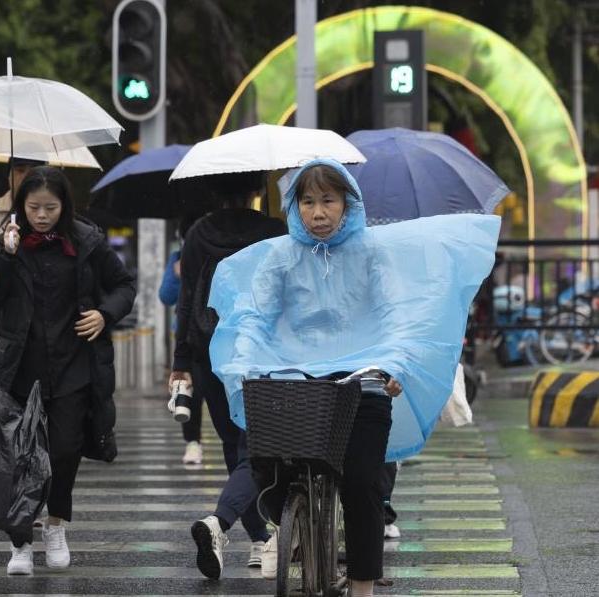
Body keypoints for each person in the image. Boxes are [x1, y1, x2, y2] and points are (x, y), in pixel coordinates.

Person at [208, 159, 498, 596]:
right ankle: (289, 526)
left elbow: (395, 315)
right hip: (297, 381)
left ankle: (363, 587)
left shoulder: (372, 253)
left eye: (328, 201)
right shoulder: (280, 256)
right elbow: (254, 317)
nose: (318, 213)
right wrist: (243, 362)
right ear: (295, 207)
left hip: (363, 380)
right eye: (308, 202)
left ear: (348, 204)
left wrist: (393, 365)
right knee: (268, 464)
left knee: (363, 485)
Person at [0, 166, 136, 575]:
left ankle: (55, 525)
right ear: (22, 205)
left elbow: (124, 285)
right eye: (34, 207)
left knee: (65, 450)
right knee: (19, 456)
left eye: (50, 208)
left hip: (73, 364)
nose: (41, 216)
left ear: (64, 206)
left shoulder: (88, 240)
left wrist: (104, 314)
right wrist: (4, 255)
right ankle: (20, 540)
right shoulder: (8, 240)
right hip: (20, 367)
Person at [171, 173, 286, 579]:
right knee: (257, 445)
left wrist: (181, 360)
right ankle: (248, 533)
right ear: (256, 190)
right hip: (262, 350)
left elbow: (187, 299)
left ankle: (255, 537)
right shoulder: (274, 231)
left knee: (232, 442)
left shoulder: (199, 233)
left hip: (211, 351)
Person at [158, 215, 203, 465]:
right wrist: (177, 275)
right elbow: (166, 296)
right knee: (189, 392)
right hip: (187, 336)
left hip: (215, 333)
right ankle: (192, 442)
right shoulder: (177, 258)